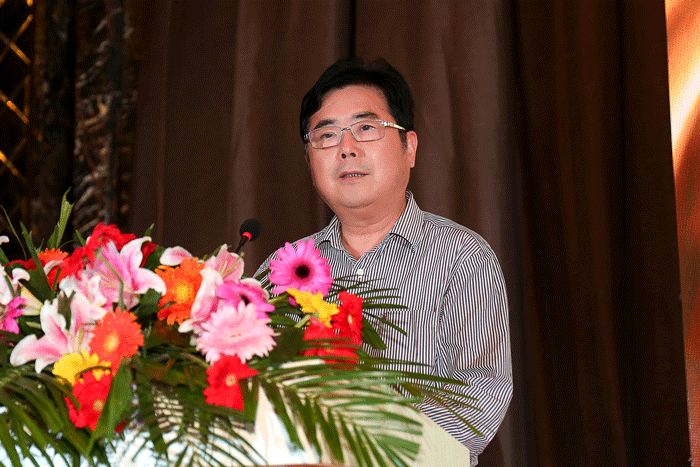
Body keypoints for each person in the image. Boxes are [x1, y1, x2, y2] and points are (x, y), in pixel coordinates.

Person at [256, 58, 512, 466]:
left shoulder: (462, 258)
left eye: (366, 128)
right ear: (309, 160)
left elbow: (478, 398)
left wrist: (355, 449)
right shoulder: (283, 268)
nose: (346, 148)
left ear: (409, 148)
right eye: (326, 135)